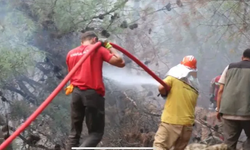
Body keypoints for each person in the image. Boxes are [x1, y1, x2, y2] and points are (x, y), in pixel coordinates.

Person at [65, 31, 125, 149]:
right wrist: (108, 46)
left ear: (81, 41)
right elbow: (120, 62)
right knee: (95, 133)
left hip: (76, 94)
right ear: (94, 40)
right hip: (92, 94)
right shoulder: (97, 49)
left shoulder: (71, 53)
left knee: (74, 134)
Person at [153, 55, 199, 150]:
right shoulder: (195, 88)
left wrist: (164, 94)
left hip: (171, 122)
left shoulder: (173, 78)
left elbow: (161, 87)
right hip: (187, 126)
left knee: (160, 146)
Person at [217, 48, 250, 150]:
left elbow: (220, 90)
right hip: (247, 113)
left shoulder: (229, 67)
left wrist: (218, 109)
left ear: (242, 57)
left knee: (229, 143)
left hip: (227, 111)